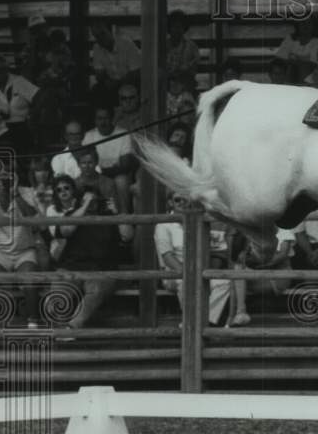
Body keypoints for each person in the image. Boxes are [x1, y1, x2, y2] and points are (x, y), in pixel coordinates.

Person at [49, 181, 134, 338]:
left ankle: (71, 328)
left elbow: (128, 235)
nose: (92, 204)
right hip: (71, 267)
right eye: (87, 200)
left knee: (95, 291)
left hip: (101, 269)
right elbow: (66, 230)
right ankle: (59, 329)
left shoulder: (110, 217)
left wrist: (116, 214)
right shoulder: (73, 215)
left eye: (95, 201)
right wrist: (84, 206)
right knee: (57, 295)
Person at [0, 169, 42, 329]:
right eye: (2, 179)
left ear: (17, 179)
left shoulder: (27, 193)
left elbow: (32, 218)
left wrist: (15, 193)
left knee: (30, 281)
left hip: (24, 251)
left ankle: (33, 323)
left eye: (9, 178)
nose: (6, 182)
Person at [154, 193, 232, 326]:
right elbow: (167, 257)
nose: (182, 203)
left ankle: (202, 322)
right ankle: (194, 324)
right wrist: (188, 273)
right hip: (174, 273)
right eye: (177, 200)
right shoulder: (164, 225)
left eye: (185, 199)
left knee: (225, 282)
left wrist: (197, 272)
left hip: (197, 269)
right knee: (187, 283)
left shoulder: (197, 221)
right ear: (170, 203)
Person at [230, 226, 297, 325]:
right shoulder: (252, 226)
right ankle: (237, 316)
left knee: (234, 281)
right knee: (236, 273)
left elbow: (282, 255)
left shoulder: (283, 227)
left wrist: (256, 261)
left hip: (278, 275)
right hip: (257, 272)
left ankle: (234, 318)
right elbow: (238, 257)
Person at [0, 55, 40, 159]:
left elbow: (38, 96)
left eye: (3, 70)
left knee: (23, 140)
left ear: (7, 69)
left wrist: (33, 113)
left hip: (19, 123)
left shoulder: (19, 81)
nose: (0, 73)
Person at [85, 103, 137, 213]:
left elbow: (125, 166)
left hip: (117, 176)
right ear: (95, 120)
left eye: (106, 118)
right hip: (98, 176)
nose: (103, 122)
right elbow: (87, 162)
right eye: (99, 118)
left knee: (121, 180)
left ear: (112, 119)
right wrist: (109, 169)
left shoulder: (122, 134)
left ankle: (124, 216)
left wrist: (103, 170)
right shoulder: (89, 136)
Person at [90, 22, 141, 107]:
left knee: (134, 88)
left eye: (103, 34)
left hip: (130, 81)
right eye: (97, 36)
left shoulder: (126, 43)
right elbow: (99, 75)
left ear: (110, 31)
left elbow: (136, 72)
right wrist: (106, 80)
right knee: (96, 90)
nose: (100, 38)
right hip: (111, 83)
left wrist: (118, 82)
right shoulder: (97, 48)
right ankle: (104, 118)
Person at [166, 10, 201, 88]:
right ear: (169, 28)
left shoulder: (192, 46)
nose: (177, 30)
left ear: (184, 28)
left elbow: (193, 68)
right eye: (174, 27)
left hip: (185, 84)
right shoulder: (162, 46)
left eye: (179, 27)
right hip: (167, 84)